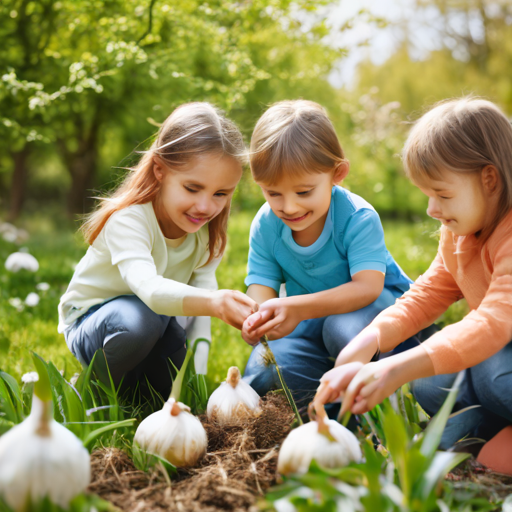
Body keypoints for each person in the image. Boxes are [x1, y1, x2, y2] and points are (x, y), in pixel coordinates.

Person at [316, 97, 512, 469]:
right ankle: (488, 432)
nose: (431, 209)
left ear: (490, 179)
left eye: (443, 194)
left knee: (491, 373)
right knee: (429, 385)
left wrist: (395, 368)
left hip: (501, 360)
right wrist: (369, 340)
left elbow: (493, 323)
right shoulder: (458, 233)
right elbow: (427, 293)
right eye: (427, 195)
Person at [58, 102, 257, 397]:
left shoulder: (206, 237)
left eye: (220, 194)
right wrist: (215, 302)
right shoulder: (130, 220)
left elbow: (199, 326)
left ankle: (129, 391)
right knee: (142, 322)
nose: (205, 207)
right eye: (192, 188)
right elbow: (149, 289)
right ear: (160, 170)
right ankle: (89, 389)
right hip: (93, 322)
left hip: (157, 323)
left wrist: (199, 383)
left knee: (165, 370)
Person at [240, 100, 415, 409]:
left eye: (304, 192)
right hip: (309, 324)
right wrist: (259, 316)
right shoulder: (267, 225)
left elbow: (367, 288)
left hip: (376, 315)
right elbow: (262, 286)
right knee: (265, 368)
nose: (289, 207)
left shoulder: (356, 217)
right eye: (273, 193)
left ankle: (391, 407)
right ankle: (332, 410)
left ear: (338, 173)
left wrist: (295, 308)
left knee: (341, 330)